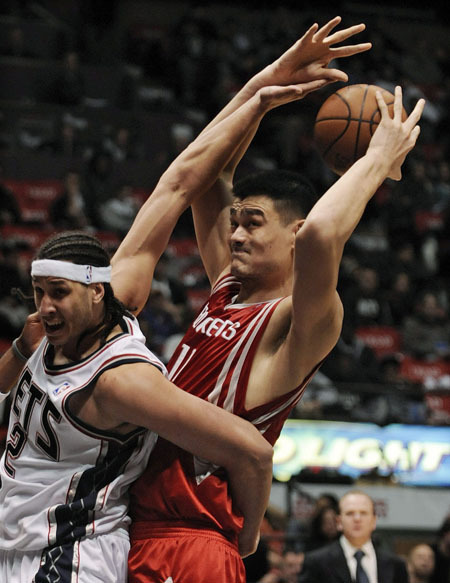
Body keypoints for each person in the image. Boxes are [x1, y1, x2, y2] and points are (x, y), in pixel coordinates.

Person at [115, 16, 424, 583]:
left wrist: (378, 159)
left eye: (253, 224)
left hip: (197, 545)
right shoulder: (225, 287)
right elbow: (211, 173)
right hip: (132, 532)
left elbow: (321, 236)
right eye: (235, 223)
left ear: (291, 231)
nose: (235, 236)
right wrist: (266, 84)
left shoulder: (298, 326)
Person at [0, 231, 273, 582]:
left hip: (70, 553)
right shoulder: (52, 334)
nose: (45, 306)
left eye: (58, 292)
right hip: (19, 539)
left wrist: (248, 533)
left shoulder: (122, 381)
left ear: (96, 291)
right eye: (39, 292)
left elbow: (254, 451)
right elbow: (174, 189)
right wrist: (22, 349)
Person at [298, 490, 409, 582]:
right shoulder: (316, 562)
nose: (357, 519)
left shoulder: (396, 565)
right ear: (339, 522)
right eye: (350, 513)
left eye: (363, 513)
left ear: (374, 521)